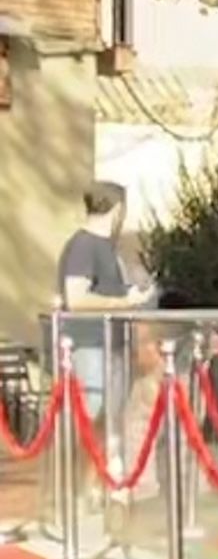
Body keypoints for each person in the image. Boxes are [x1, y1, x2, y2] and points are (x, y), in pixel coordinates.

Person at [52, 180, 146, 443]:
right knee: (93, 414)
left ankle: (105, 478)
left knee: (110, 418)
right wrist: (125, 303)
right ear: (117, 209)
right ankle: (89, 479)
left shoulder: (106, 248)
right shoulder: (85, 245)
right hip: (91, 344)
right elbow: (77, 298)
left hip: (110, 344)